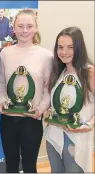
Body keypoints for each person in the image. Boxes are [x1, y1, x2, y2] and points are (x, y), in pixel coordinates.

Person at [0, 9, 53, 173]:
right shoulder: (5, 53)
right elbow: (0, 82)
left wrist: (41, 109)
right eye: (20, 26)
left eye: (29, 26)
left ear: (36, 28)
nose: (25, 30)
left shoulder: (46, 56)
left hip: (32, 120)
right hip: (8, 119)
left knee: (29, 166)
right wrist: (1, 99)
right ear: (13, 27)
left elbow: (48, 89)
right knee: (11, 165)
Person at [45, 27, 94, 173]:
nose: (64, 52)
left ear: (79, 48)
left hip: (75, 137)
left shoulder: (88, 72)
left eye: (70, 47)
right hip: (53, 135)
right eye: (60, 47)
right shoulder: (58, 71)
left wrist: (89, 125)